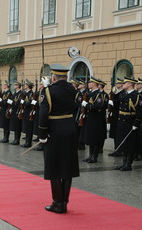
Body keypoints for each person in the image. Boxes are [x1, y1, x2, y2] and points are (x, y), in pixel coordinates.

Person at [38, 64, 79, 214]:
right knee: (67, 167)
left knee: (54, 167)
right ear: (66, 77)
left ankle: (57, 203)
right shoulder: (72, 90)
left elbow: (43, 114)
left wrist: (42, 135)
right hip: (69, 129)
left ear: (53, 77)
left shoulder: (48, 91)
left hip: (54, 131)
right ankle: (65, 203)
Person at [114, 78, 142, 171]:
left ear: (130, 84)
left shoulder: (137, 96)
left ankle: (128, 164)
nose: (123, 84)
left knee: (129, 144)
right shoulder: (123, 94)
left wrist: (136, 123)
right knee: (123, 142)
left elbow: (140, 111)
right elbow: (116, 104)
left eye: (125, 83)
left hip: (130, 122)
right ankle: (124, 162)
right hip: (121, 121)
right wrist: (117, 91)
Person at [81, 77, 105, 163]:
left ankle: (94, 156)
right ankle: (90, 155)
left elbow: (98, 106)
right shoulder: (89, 93)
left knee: (95, 138)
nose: (88, 84)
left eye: (90, 82)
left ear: (94, 83)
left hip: (96, 119)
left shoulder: (98, 94)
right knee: (90, 137)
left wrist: (86, 105)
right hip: (89, 118)